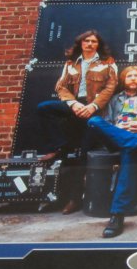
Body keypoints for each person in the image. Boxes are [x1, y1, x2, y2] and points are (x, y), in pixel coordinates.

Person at [36, 30, 118, 213]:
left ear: (98, 45)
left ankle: (74, 199)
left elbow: (110, 87)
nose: (90, 44)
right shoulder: (71, 64)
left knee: (83, 155)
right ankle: (59, 146)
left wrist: (93, 106)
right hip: (74, 106)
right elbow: (61, 87)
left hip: (95, 111)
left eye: (94, 41)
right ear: (81, 43)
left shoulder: (108, 62)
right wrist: (73, 104)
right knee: (44, 108)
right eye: (86, 41)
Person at [85, 66, 137, 238]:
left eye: (136, 75)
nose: (133, 78)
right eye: (129, 76)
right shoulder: (115, 99)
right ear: (123, 80)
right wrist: (117, 127)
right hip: (118, 137)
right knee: (94, 121)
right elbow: (107, 122)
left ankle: (117, 215)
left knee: (130, 151)